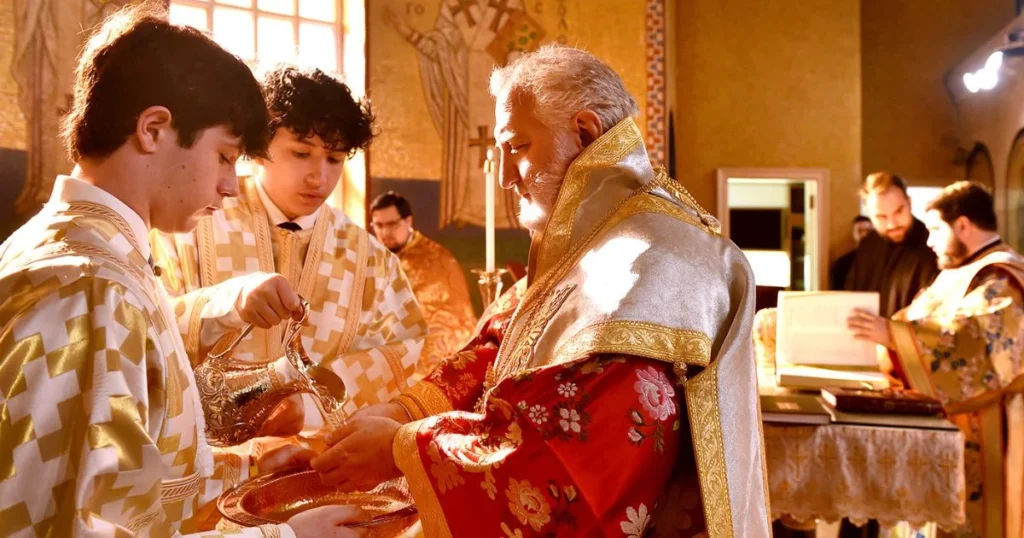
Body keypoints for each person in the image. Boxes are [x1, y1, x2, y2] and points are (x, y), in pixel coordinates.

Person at [308, 45, 771, 536]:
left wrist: (402, 446)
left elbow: (569, 444)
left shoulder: (653, 257)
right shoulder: (601, 235)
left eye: (517, 147)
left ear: (586, 132)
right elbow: (506, 342)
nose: (506, 177)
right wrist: (406, 411)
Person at [0, 5, 362, 536]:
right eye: (224, 156)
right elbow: (64, 524)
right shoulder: (87, 288)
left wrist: (249, 461)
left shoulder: (95, 257)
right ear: (154, 129)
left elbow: (127, 477)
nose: (230, 186)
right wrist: (283, 535)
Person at [152, 65, 427, 424]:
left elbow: (402, 348)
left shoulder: (369, 258)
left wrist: (311, 407)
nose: (320, 177)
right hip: (210, 455)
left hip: (321, 461)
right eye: (301, 153)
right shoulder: (190, 222)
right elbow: (146, 329)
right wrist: (226, 304)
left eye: (334, 159)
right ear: (261, 147)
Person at [848, 181, 1024, 538]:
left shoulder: (1002, 275)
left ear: (963, 225)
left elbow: (974, 344)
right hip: (944, 426)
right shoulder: (957, 273)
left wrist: (893, 335)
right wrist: (889, 337)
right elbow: (915, 320)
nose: (928, 241)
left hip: (992, 427)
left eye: (935, 229)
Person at [369, 191, 475, 374]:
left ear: (408, 222)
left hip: (435, 358)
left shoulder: (434, 260)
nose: (385, 232)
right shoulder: (380, 255)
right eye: (378, 225)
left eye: (392, 224)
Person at [844, 172, 940, 316]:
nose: (892, 224)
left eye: (898, 212)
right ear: (870, 214)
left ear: (909, 203)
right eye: (881, 216)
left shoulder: (935, 244)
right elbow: (851, 299)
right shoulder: (867, 246)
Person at [829, 215, 873, 290]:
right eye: (860, 231)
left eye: (868, 231)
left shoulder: (882, 261)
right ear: (853, 234)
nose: (864, 235)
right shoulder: (841, 265)